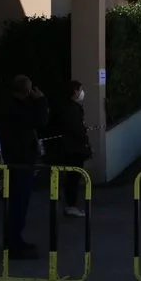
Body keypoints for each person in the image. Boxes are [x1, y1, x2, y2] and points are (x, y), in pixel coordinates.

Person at [0, 75, 50, 259]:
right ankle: (14, 244)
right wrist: (40, 100)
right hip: (21, 161)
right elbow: (40, 121)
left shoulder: (6, 106)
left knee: (15, 202)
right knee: (19, 202)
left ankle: (13, 240)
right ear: (26, 91)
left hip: (13, 158)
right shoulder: (21, 109)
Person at [54, 80, 92, 218]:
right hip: (74, 149)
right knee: (73, 177)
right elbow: (77, 129)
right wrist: (85, 143)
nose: (82, 92)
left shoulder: (64, 107)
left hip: (69, 148)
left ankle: (70, 204)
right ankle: (71, 205)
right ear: (74, 91)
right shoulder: (72, 109)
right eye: (80, 89)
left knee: (71, 177)